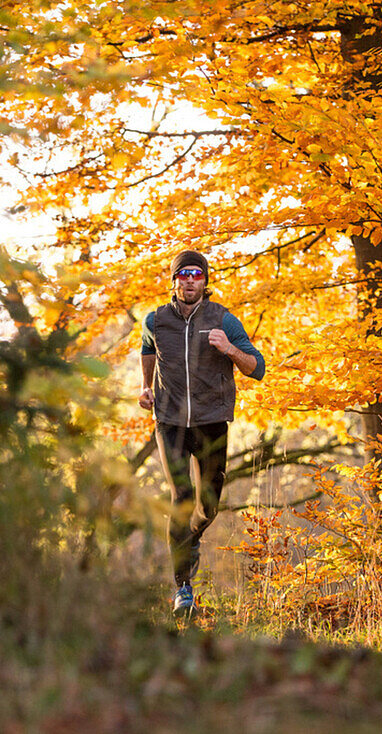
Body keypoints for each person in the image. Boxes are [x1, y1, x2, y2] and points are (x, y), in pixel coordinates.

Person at [139, 250, 266, 616]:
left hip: (212, 421)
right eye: (184, 275)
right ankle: (183, 588)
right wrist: (145, 387)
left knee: (207, 505)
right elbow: (148, 349)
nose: (190, 280)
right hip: (170, 422)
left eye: (197, 274)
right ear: (174, 281)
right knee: (181, 496)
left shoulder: (224, 320)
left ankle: (189, 541)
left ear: (205, 280)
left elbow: (257, 368)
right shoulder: (155, 321)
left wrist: (228, 348)